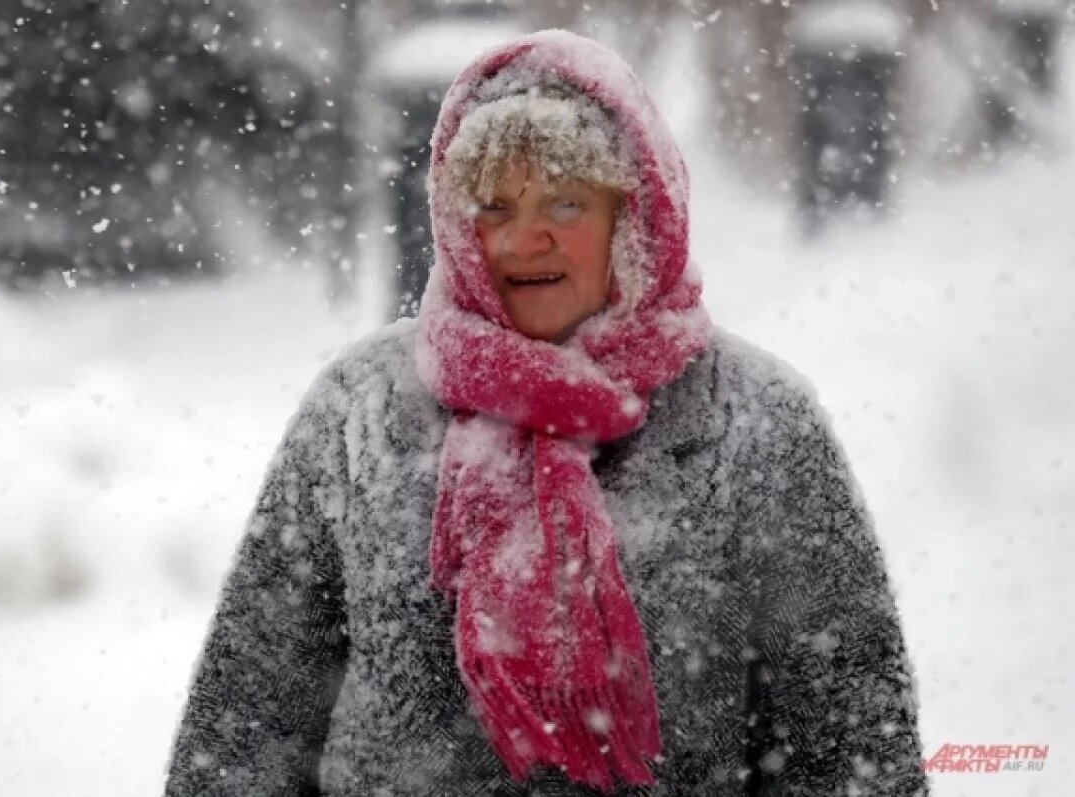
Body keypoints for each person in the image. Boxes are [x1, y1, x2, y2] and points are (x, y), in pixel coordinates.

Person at [163, 30, 928, 796]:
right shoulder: (359, 410)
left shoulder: (755, 421)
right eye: (493, 205)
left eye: (566, 201)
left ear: (633, 218)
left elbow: (853, 750)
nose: (526, 238)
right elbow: (245, 731)